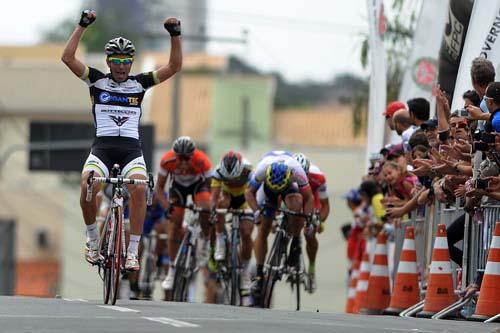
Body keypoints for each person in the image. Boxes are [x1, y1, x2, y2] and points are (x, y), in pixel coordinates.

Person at [61, 9, 182, 270]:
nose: (121, 65)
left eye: (126, 60)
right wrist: (82, 25)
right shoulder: (96, 81)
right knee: (86, 185)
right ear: (108, 61)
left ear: (131, 63)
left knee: (139, 188)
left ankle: (133, 251)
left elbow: (174, 67)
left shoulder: (139, 84)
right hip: (102, 149)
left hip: (131, 151)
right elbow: (67, 57)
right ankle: (93, 240)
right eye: (116, 60)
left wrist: (175, 35)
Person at [244, 151, 314, 302]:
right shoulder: (261, 170)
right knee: (263, 228)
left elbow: (308, 197)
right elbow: (249, 192)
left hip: (289, 187)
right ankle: (259, 273)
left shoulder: (297, 171)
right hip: (267, 189)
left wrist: (307, 221)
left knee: (296, 205)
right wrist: (256, 211)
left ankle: (295, 241)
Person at [156, 136, 212, 291]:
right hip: (177, 188)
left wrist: (211, 209)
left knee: (205, 207)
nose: (184, 162)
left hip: (197, 186)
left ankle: (205, 242)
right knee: (174, 224)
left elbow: (211, 187)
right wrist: (167, 206)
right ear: (175, 155)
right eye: (181, 158)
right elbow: (159, 188)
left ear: (193, 155)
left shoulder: (202, 160)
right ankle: (172, 271)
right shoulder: (167, 160)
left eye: (188, 158)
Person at [210, 150, 254, 303]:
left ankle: (245, 273)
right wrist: (213, 212)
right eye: (229, 179)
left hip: (244, 200)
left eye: (235, 178)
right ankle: (221, 242)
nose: (232, 181)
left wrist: (256, 211)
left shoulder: (249, 170)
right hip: (227, 198)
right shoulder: (217, 172)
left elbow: (255, 193)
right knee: (220, 205)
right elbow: (214, 197)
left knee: (247, 233)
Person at [293, 153, 330, 293]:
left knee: (309, 233)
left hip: (311, 197)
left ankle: (311, 269)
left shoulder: (318, 178)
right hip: (291, 195)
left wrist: (319, 220)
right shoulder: (287, 173)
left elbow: (325, 205)